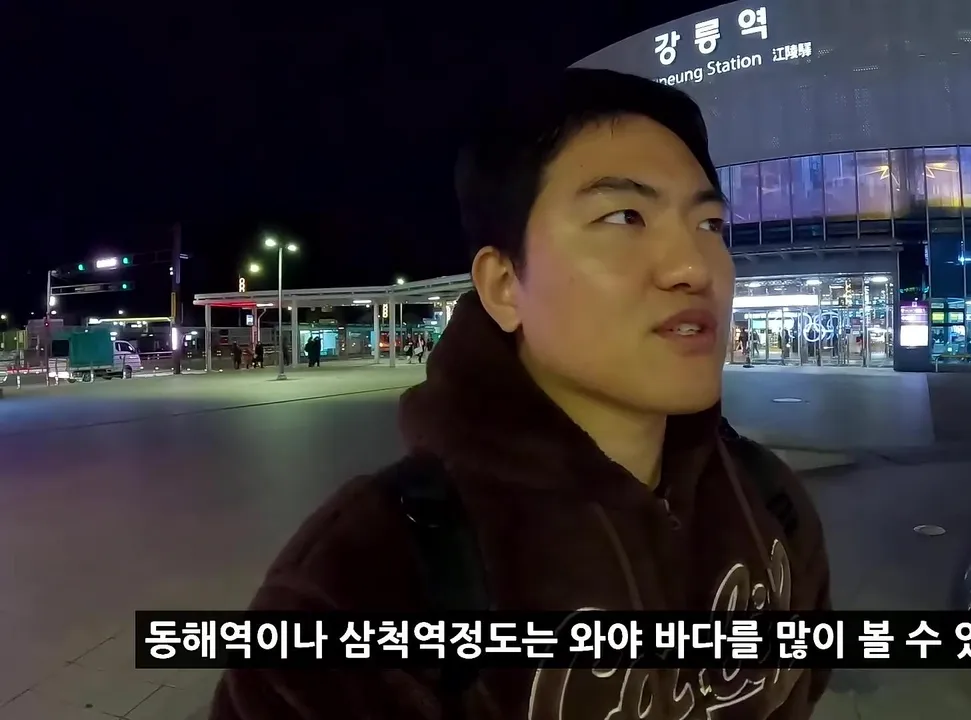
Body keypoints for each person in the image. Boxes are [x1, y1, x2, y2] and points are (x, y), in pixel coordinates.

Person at [211, 68, 830, 720]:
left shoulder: (769, 506)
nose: (693, 267)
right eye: (625, 216)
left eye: (709, 223)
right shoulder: (361, 582)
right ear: (504, 285)